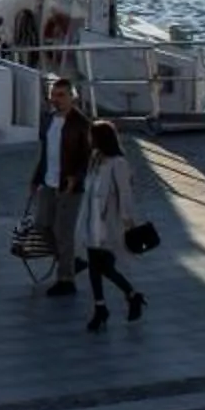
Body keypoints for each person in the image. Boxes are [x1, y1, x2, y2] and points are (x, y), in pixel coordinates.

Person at [77, 119, 148, 331]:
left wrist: (128, 221)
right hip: (91, 220)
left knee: (103, 266)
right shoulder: (95, 159)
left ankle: (126, 297)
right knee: (95, 266)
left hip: (108, 222)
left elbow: (125, 195)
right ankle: (103, 306)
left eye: (92, 136)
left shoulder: (118, 163)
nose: (89, 140)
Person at [30, 76, 89, 296]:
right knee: (42, 225)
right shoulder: (48, 120)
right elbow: (46, 153)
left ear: (73, 97)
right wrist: (36, 179)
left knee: (64, 233)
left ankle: (66, 279)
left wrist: (75, 178)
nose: (56, 99)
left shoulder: (81, 124)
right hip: (48, 182)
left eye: (62, 95)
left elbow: (88, 157)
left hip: (69, 187)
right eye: (53, 95)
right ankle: (70, 261)